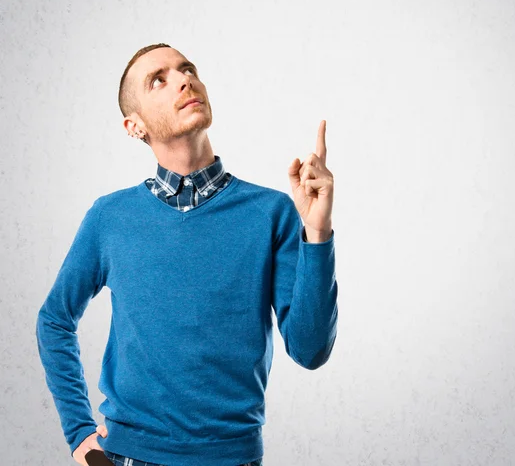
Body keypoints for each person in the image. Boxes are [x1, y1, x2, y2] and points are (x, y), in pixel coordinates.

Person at [35, 43, 338, 466]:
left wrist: (318, 231)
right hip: (126, 456)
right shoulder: (110, 217)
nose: (183, 79)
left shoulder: (271, 212)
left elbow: (309, 351)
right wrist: (79, 432)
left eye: (187, 68)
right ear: (134, 125)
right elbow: (54, 320)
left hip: (233, 458)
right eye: (158, 79)